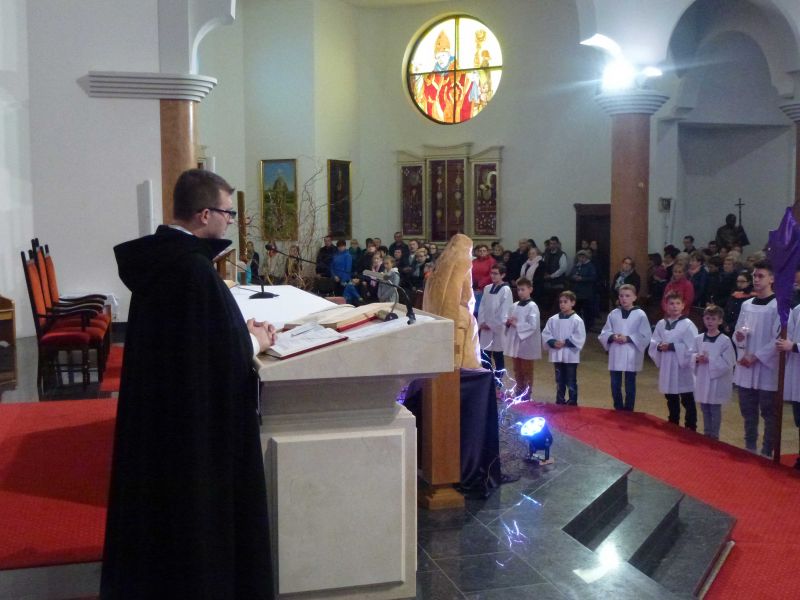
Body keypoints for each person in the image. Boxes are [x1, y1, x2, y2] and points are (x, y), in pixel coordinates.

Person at [102, 169, 276, 599]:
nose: (230, 221)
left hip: (161, 415)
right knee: (193, 520)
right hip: (190, 429)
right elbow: (219, 356)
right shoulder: (191, 269)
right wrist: (255, 340)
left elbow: (195, 338)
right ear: (204, 214)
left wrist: (236, 330)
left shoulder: (161, 259)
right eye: (228, 213)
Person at [733, 260, 780, 456]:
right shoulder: (746, 304)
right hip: (746, 363)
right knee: (747, 410)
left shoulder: (778, 306)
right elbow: (738, 330)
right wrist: (740, 339)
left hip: (766, 367)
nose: (756, 279)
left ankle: (767, 450)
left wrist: (757, 356)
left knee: (769, 412)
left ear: (772, 278)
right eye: (754, 276)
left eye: (761, 276)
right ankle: (750, 446)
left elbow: (778, 338)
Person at [649, 293, 699, 430]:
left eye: (678, 303)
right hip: (668, 365)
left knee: (687, 398)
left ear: (683, 306)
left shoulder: (688, 325)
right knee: (670, 396)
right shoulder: (661, 324)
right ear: (666, 306)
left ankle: (690, 426)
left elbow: (693, 347)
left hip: (682, 367)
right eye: (671, 303)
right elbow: (654, 342)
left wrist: (672, 346)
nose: (674, 307)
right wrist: (659, 346)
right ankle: (673, 422)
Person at [599, 284, 651, 411]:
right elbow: (605, 332)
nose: (624, 299)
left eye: (627, 296)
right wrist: (612, 336)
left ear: (634, 297)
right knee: (615, 383)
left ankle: (628, 409)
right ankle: (618, 407)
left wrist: (628, 338)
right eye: (621, 296)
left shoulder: (640, 315)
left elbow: (645, 335)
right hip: (616, 352)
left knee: (630, 384)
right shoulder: (614, 313)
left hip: (631, 353)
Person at [692, 304, 735, 440]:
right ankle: (706, 433)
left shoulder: (725, 340)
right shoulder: (698, 338)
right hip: (702, 377)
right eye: (707, 318)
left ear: (720, 321)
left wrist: (709, 360)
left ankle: (714, 436)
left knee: (714, 408)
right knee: (704, 407)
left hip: (716, 380)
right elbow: (691, 354)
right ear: (703, 319)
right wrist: (696, 358)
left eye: (713, 319)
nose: (710, 322)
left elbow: (728, 362)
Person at [542, 290, 586, 405]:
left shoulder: (577, 320)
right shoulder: (553, 319)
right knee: (559, 379)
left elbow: (580, 336)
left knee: (571, 380)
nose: (562, 304)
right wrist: (552, 342)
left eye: (565, 302)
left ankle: (572, 401)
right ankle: (560, 400)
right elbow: (546, 333)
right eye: (560, 302)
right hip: (557, 354)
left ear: (573, 303)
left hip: (570, 355)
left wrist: (566, 342)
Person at [504, 277, 541, 400]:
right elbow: (507, 319)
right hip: (515, 342)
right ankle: (519, 390)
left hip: (527, 342)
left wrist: (517, 324)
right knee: (517, 368)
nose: (520, 292)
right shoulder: (514, 305)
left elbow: (533, 325)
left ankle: (527, 394)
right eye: (518, 289)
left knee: (527, 369)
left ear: (530, 289)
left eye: (523, 289)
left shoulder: (532, 306)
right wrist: (508, 322)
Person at [477, 263, 513, 382]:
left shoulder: (506, 290)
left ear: (503, 275)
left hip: (498, 328)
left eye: (496, 273)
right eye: (491, 273)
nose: (493, 276)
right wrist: (482, 322)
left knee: (498, 355)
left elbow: (505, 310)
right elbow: (482, 306)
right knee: (484, 354)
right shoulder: (487, 288)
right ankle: (487, 379)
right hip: (485, 327)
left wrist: (491, 324)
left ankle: (498, 381)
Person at [777, 301, 800, 468]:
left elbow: (792, 344)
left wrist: (794, 346)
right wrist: (784, 341)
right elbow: (789, 333)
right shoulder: (798, 309)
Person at [569, 249, 597, 330]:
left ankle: (588, 327)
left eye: (583, 257)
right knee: (576, 311)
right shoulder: (576, 266)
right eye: (579, 257)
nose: (581, 258)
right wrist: (573, 277)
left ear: (586, 257)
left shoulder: (590, 266)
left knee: (587, 311)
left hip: (586, 293)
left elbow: (593, 278)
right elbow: (570, 275)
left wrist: (582, 278)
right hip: (576, 293)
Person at [723, 271, 755, 335]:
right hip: (728, 326)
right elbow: (727, 309)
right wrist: (725, 324)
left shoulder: (752, 297)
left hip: (741, 327)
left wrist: (732, 325)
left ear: (749, 282)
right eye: (738, 281)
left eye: (742, 282)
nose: (739, 284)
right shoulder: (734, 294)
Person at [471, 244, 494, 314]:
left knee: (482, 309)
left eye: (484, 251)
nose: (482, 252)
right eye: (480, 251)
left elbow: (492, 274)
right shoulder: (474, 261)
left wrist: (481, 284)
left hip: (485, 288)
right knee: (474, 309)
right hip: (474, 287)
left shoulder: (491, 261)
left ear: (487, 252)